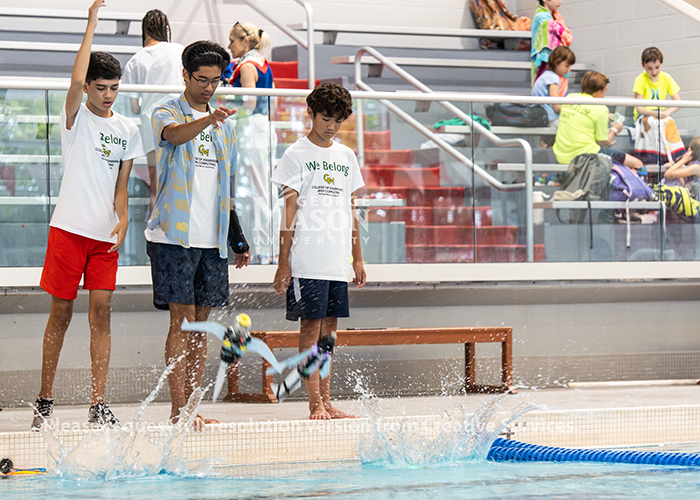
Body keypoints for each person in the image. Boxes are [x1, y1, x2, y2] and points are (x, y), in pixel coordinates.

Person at [32, 0, 145, 429]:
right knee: (60, 314)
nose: (108, 94)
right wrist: (92, 23)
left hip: (103, 236)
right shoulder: (75, 118)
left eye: (113, 87)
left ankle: (98, 404)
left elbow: (122, 186)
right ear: (88, 88)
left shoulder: (128, 130)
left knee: (102, 313)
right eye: (101, 87)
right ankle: (45, 398)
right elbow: (76, 77)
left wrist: (124, 218)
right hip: (68, 230)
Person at [147, 40, 250, 429]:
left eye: (216, 81)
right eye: (202, 80)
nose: (209, 88)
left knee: (201, 326)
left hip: (212, 238)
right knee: (183, 322)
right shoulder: (166, 111)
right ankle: (176, 411)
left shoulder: (227, 129)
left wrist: (236, 237)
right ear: (186, 75)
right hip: (173, 236)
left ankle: (191, 407)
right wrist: (207, 119)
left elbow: (228, 187)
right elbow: (172, 136)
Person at [272, 82, 366, 420]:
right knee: (310, 329)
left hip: (337, 260)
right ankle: (314, 404)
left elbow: (351, 209)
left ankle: (327, 400)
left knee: (330, 331)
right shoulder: (295, 155)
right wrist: (283, 265)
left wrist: (357, 258)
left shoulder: (346, 156)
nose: (331, 126)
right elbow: (288, 212)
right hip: (308, 259)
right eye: (326, 118)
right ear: (310, 113)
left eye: (338, 121)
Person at [121, 9, 184, 211]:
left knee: (156, 186)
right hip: (181, 118)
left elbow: (132, 106)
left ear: (144, 30)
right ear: (166, 29)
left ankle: (154, 235)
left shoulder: (136, 60)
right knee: (184, 180)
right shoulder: (180, 51)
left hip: (152, 124)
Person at [224, 21, 275, 264]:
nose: (228, 45)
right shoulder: (263, 63)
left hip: (251, 131)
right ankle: (263, 247)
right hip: (259, 129)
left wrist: (223, 108)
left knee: (258, 193)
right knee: (260, 191)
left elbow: (249, 105)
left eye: (232, 41)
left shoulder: (247, 66)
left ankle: (264, 249)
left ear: (244, 42)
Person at [553, 71, 643, 169]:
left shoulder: (570, 98)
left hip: (561, 156)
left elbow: (583, 116)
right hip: (587, 156)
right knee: (638, 164)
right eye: (605, 91)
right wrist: (614, 129)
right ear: (598, 92)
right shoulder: (601, 109)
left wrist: (605, 117)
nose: (604, 95)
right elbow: (604, 142)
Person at [633, 47, 686, 165]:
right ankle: (654, 159)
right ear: (643, 66)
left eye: (657, 67)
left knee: (670, 121)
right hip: (645, 116)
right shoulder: (640, 79)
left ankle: (677, 157)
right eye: (649, 69)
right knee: (653, 122)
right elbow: (639, 108)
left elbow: (678, 101)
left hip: (662, 115)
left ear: (661, 64)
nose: (654, 72)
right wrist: (654, 113)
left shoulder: (666, 77)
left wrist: (666, 113)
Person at [531, 45, 576, 127]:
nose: (568, 70)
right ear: (556, 62)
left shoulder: (545, 75)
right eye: (567, 66)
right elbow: (556, 106)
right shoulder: (553, 77)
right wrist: (573, 112)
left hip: (544, 117)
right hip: (550, 119)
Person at [531, 0, 572, 84]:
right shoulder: (541, 16)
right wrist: (564, 34)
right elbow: (564, 36)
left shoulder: (557, 17)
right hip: (545, 61)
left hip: (556, 59)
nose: (559, 1)